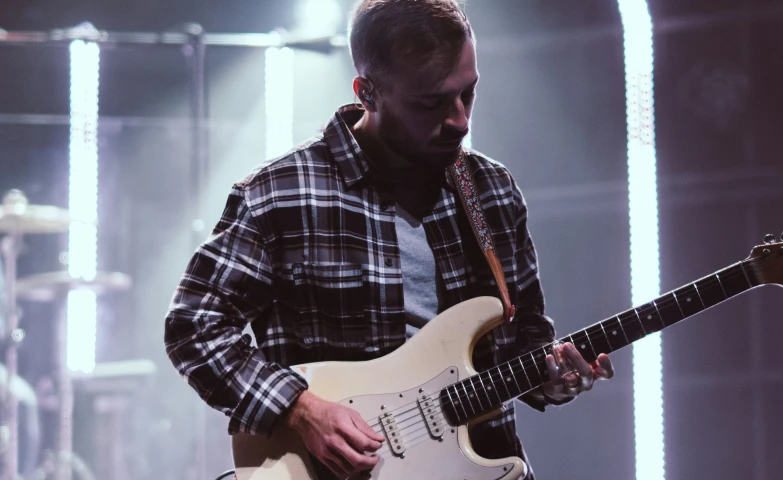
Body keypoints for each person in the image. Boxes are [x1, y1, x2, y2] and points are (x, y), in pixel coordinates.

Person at [164, 1, 614, 478]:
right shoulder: (281, 193)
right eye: (432, 103)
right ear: (369, 93)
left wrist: (551, 377)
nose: (460, 120)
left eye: (469, 94)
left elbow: (526, 336)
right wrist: (300, 409)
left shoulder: (492, 191)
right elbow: (194, 325)